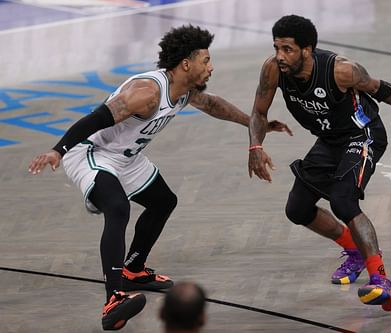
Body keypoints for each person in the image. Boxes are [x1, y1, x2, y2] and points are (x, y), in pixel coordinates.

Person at [28, 25, 292, 330]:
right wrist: (57, 151)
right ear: (186, 64)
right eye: (206, 60)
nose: (211, 67)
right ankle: (114, 297)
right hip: (91, 153)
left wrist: (255, 124)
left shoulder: (185, 91)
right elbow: (95, 119)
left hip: (126, 158)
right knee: (117, 208)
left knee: (163, 202)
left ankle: (133, 270)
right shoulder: (147, 93)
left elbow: (212, 104)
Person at [247, 15, 391, 311]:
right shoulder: (273, 70)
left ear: (307, 50)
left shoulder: (341, 71)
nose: (279, 56)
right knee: (297, 209)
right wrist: (255, 145)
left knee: (343, 200)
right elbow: (259, 113)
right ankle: (353, 249)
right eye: (276, 47)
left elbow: (379, 88)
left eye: (287, 49)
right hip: (329, 139)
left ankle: (381, 279)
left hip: (362, 134)